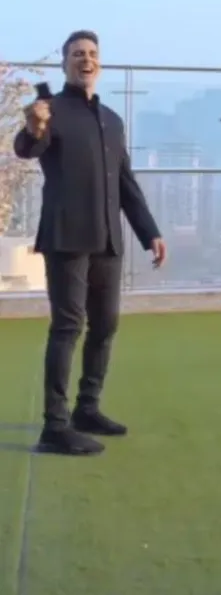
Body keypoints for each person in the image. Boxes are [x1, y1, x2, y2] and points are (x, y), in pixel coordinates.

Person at [14, 30, 167, 456]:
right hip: (66, 239)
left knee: (106, 325)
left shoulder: (112, 120)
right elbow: (28, 147)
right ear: (65, 64)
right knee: (68, 327)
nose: (86, 59)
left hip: (108, 240)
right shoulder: (50, 110)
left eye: (93, 54)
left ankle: (87, 409)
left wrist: (149, 231)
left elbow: (125, 183)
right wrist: (33, 124)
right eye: (78, 54)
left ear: (100, 63)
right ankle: (55, 426)